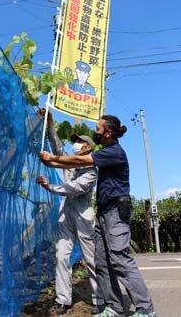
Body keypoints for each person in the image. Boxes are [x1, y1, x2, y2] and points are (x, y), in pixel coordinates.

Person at [39, 114, 157, 317]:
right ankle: (114, 307)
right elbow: (69, 161)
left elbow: (75, 162)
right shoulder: (103, 154)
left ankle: (146, 310)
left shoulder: (113, 153)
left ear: (108, 133)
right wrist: (52, 160)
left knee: (119, 258)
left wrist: (53, 162)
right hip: (103, 213)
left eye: (98, 128)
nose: (95, 131)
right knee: (101, 261)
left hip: (115, 213)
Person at [36, 109, 104, 315]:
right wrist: (50, 125)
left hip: (83, 215)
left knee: (90, 258)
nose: (75, 144)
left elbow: (74, 189)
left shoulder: (91, 171)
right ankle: (63, 300)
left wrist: (51, 187)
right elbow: (57, 147)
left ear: (87, 148)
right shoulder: (70, 163)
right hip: (66, 213)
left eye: (79, 142)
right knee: (62, 256)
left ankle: (99, 299)